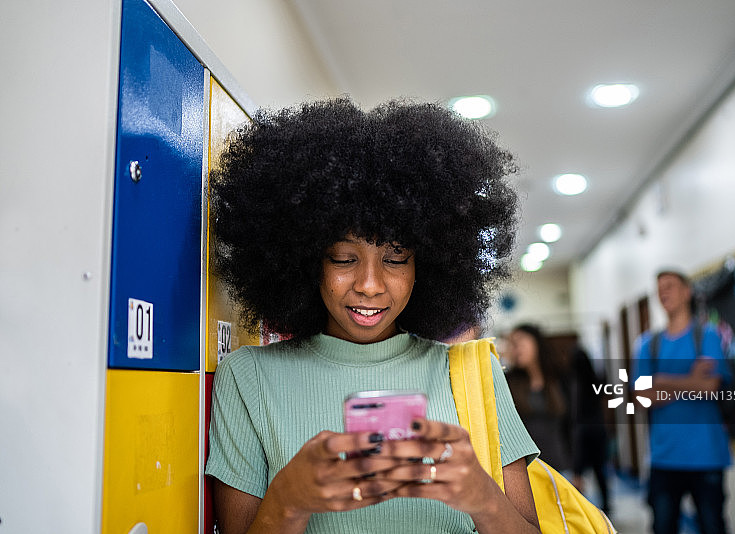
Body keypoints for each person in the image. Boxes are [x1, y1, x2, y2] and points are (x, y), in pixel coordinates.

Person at [204, 97, 541, 534]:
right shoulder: (248, 378)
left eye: (395, 258)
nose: (369, 284)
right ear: (307, 260)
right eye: (344, 258)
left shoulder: (473, 373)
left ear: (426, 264)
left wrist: (482, 497)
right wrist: (289, 499)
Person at [633, 269, 731, 534]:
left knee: (713, 526)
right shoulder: (648, 344)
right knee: (663, 527)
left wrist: (661, 380)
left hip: (707, 455)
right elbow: (641, 398)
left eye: (670, 286)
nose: (663, 292)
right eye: (659, 288)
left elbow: (709, 387)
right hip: (664, 457)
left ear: (687, 292)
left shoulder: (707, 336)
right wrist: (690, 381)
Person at [505, 324, 571, 472]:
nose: (516, 347)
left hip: (561, 464)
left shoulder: (558, 378)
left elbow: (572, 424)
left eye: (521, 341)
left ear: (536, 343)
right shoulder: (508, 382)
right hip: (528, 469)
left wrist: (577, 469)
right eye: (512, 344)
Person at [570, 345, 611, 516]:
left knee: (578, 472)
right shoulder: (596, 379)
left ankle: (579, 508)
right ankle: (606, 504)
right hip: (597, 429)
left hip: (581, 431)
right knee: (600, 470)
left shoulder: (573, 383)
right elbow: (605, 404)